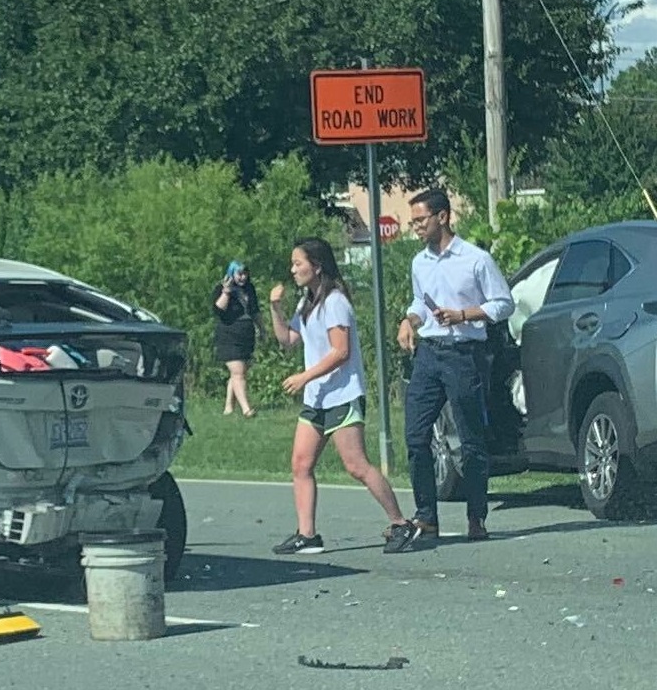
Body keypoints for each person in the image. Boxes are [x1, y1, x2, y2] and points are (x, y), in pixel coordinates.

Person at [264, 239, 410, 555]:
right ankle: (307, 534)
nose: (293, 270)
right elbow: (288, 340)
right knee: (300, 464)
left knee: (356, 465)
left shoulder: (335, 302)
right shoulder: (307, 303)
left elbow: (340, 351)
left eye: (298, 264)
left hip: (342, 394)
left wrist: (304, 377)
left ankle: (400, 523)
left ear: (316, 266)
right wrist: (275, 308)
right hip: (317, 399)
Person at [392, 184, 512, 549]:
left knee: (471, 438)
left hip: (464, 353)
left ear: (442, 217)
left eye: (420, 220)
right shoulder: (419, 262)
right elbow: (418, 300)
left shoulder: (475, 259)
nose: (416, 227)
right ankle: (427, 515)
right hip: (429, 353)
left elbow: (503, 303)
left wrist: (463, 314)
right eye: (412, 221)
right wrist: (408, 320)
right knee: (416, 435)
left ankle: (477, 515)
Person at [210, 261, 258, 416]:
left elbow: (255, 311)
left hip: (245, 335)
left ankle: (228, 408)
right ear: (232, 273)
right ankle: (246, 409)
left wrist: (262, 330)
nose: (243, 277)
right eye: (239, 274)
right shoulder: (221, 288)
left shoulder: (249, 289)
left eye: (245, 273)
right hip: (228, 335)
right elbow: (219, 309)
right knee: (238, 372)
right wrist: (226, 292)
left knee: (238, 373)